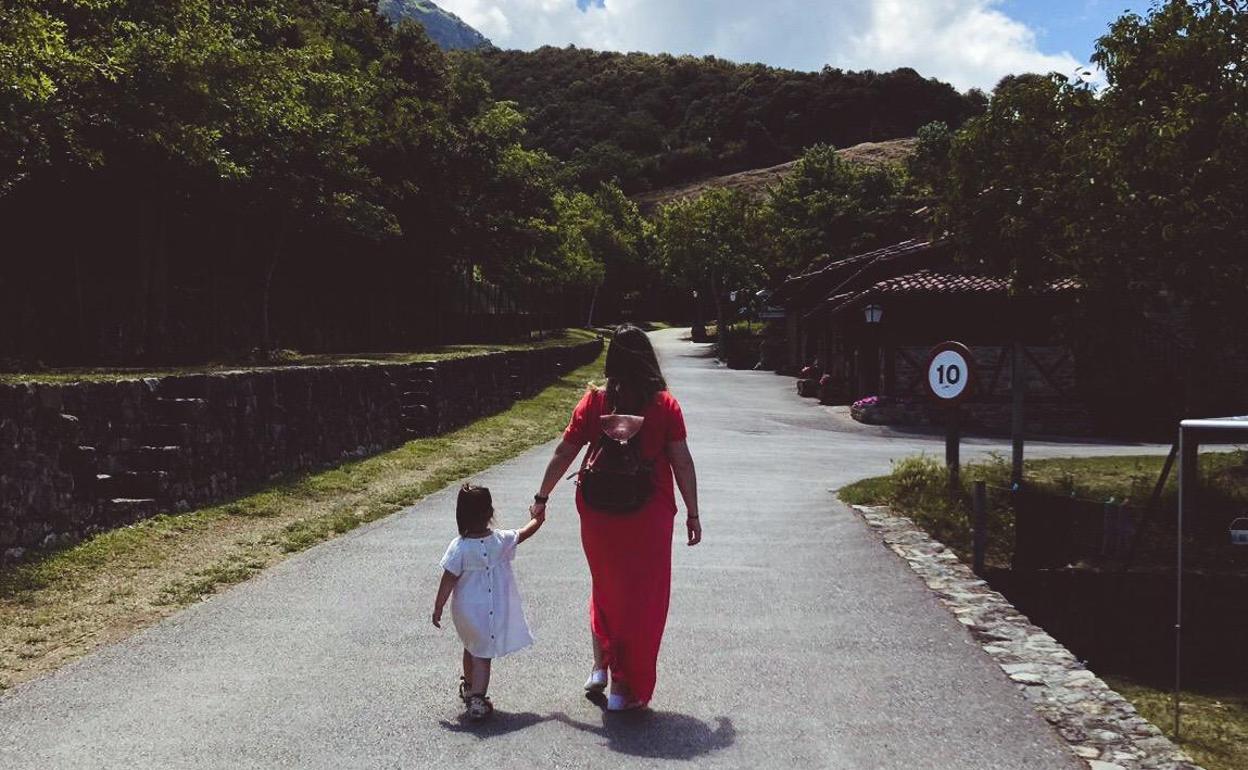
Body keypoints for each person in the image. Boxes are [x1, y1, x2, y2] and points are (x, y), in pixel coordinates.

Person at [530, 324, 701, 711]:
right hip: (649, 514)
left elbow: (564, 453)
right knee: (641, 599)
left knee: (606, 587)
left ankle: (599, 667)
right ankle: (624, 687)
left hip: (599, 511)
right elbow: (682, 462)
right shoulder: (664, 406)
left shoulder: (594, 403)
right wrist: (693, 512)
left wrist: (542, 496)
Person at [432, 484, 544, 720]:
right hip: (488, 613)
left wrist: (438, 606)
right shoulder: (500, 540)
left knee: (471, 646)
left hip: (465, 612)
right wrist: (538, 518)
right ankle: (477, 699)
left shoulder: (459, 546)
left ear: (460, 515)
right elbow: (526, 531)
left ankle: (470, 685)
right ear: (490, 512)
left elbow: (448, 579)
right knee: (482, 656)